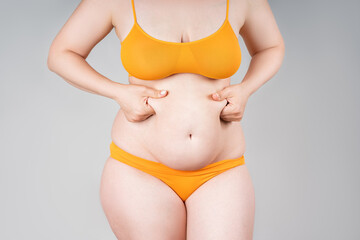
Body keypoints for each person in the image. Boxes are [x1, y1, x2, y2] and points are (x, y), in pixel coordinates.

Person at [47, 0, 285, 239]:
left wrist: (246, 89)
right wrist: (118, 92)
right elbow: (61, 54)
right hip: (140, 169)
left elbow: (271, 46)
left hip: (221, 169)